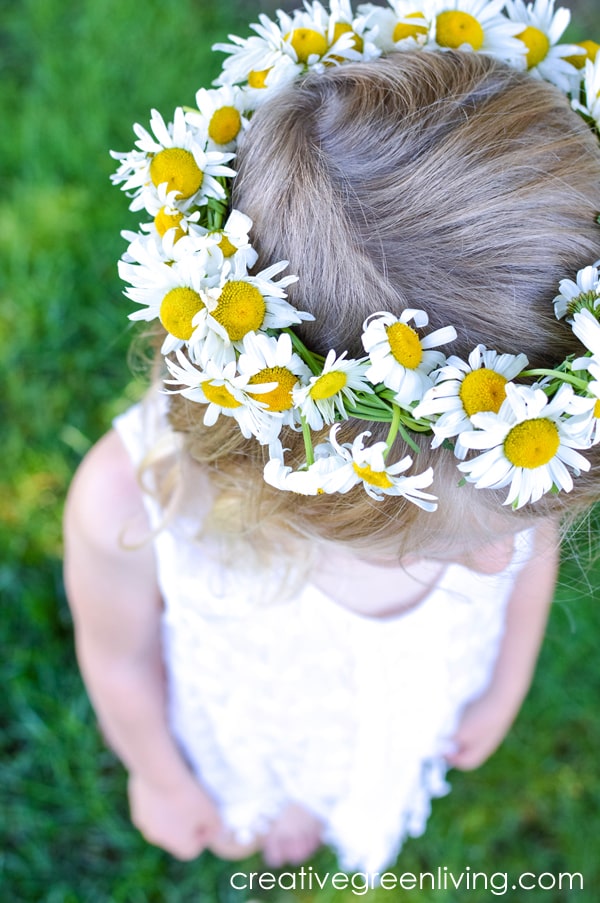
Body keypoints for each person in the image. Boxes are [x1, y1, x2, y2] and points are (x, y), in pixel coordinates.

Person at [63, 0, 600, 874]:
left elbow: (521, 544)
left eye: (519, 515)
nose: (501, 563)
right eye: (477, 536)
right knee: (279, 797)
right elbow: (116, 656)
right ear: (281, 471)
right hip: (258, 721)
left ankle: (359, 790)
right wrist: (162, 779)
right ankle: (286, 803)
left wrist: (503, 685)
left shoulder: (514, 436)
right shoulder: (135, 500)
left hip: (421, 697)